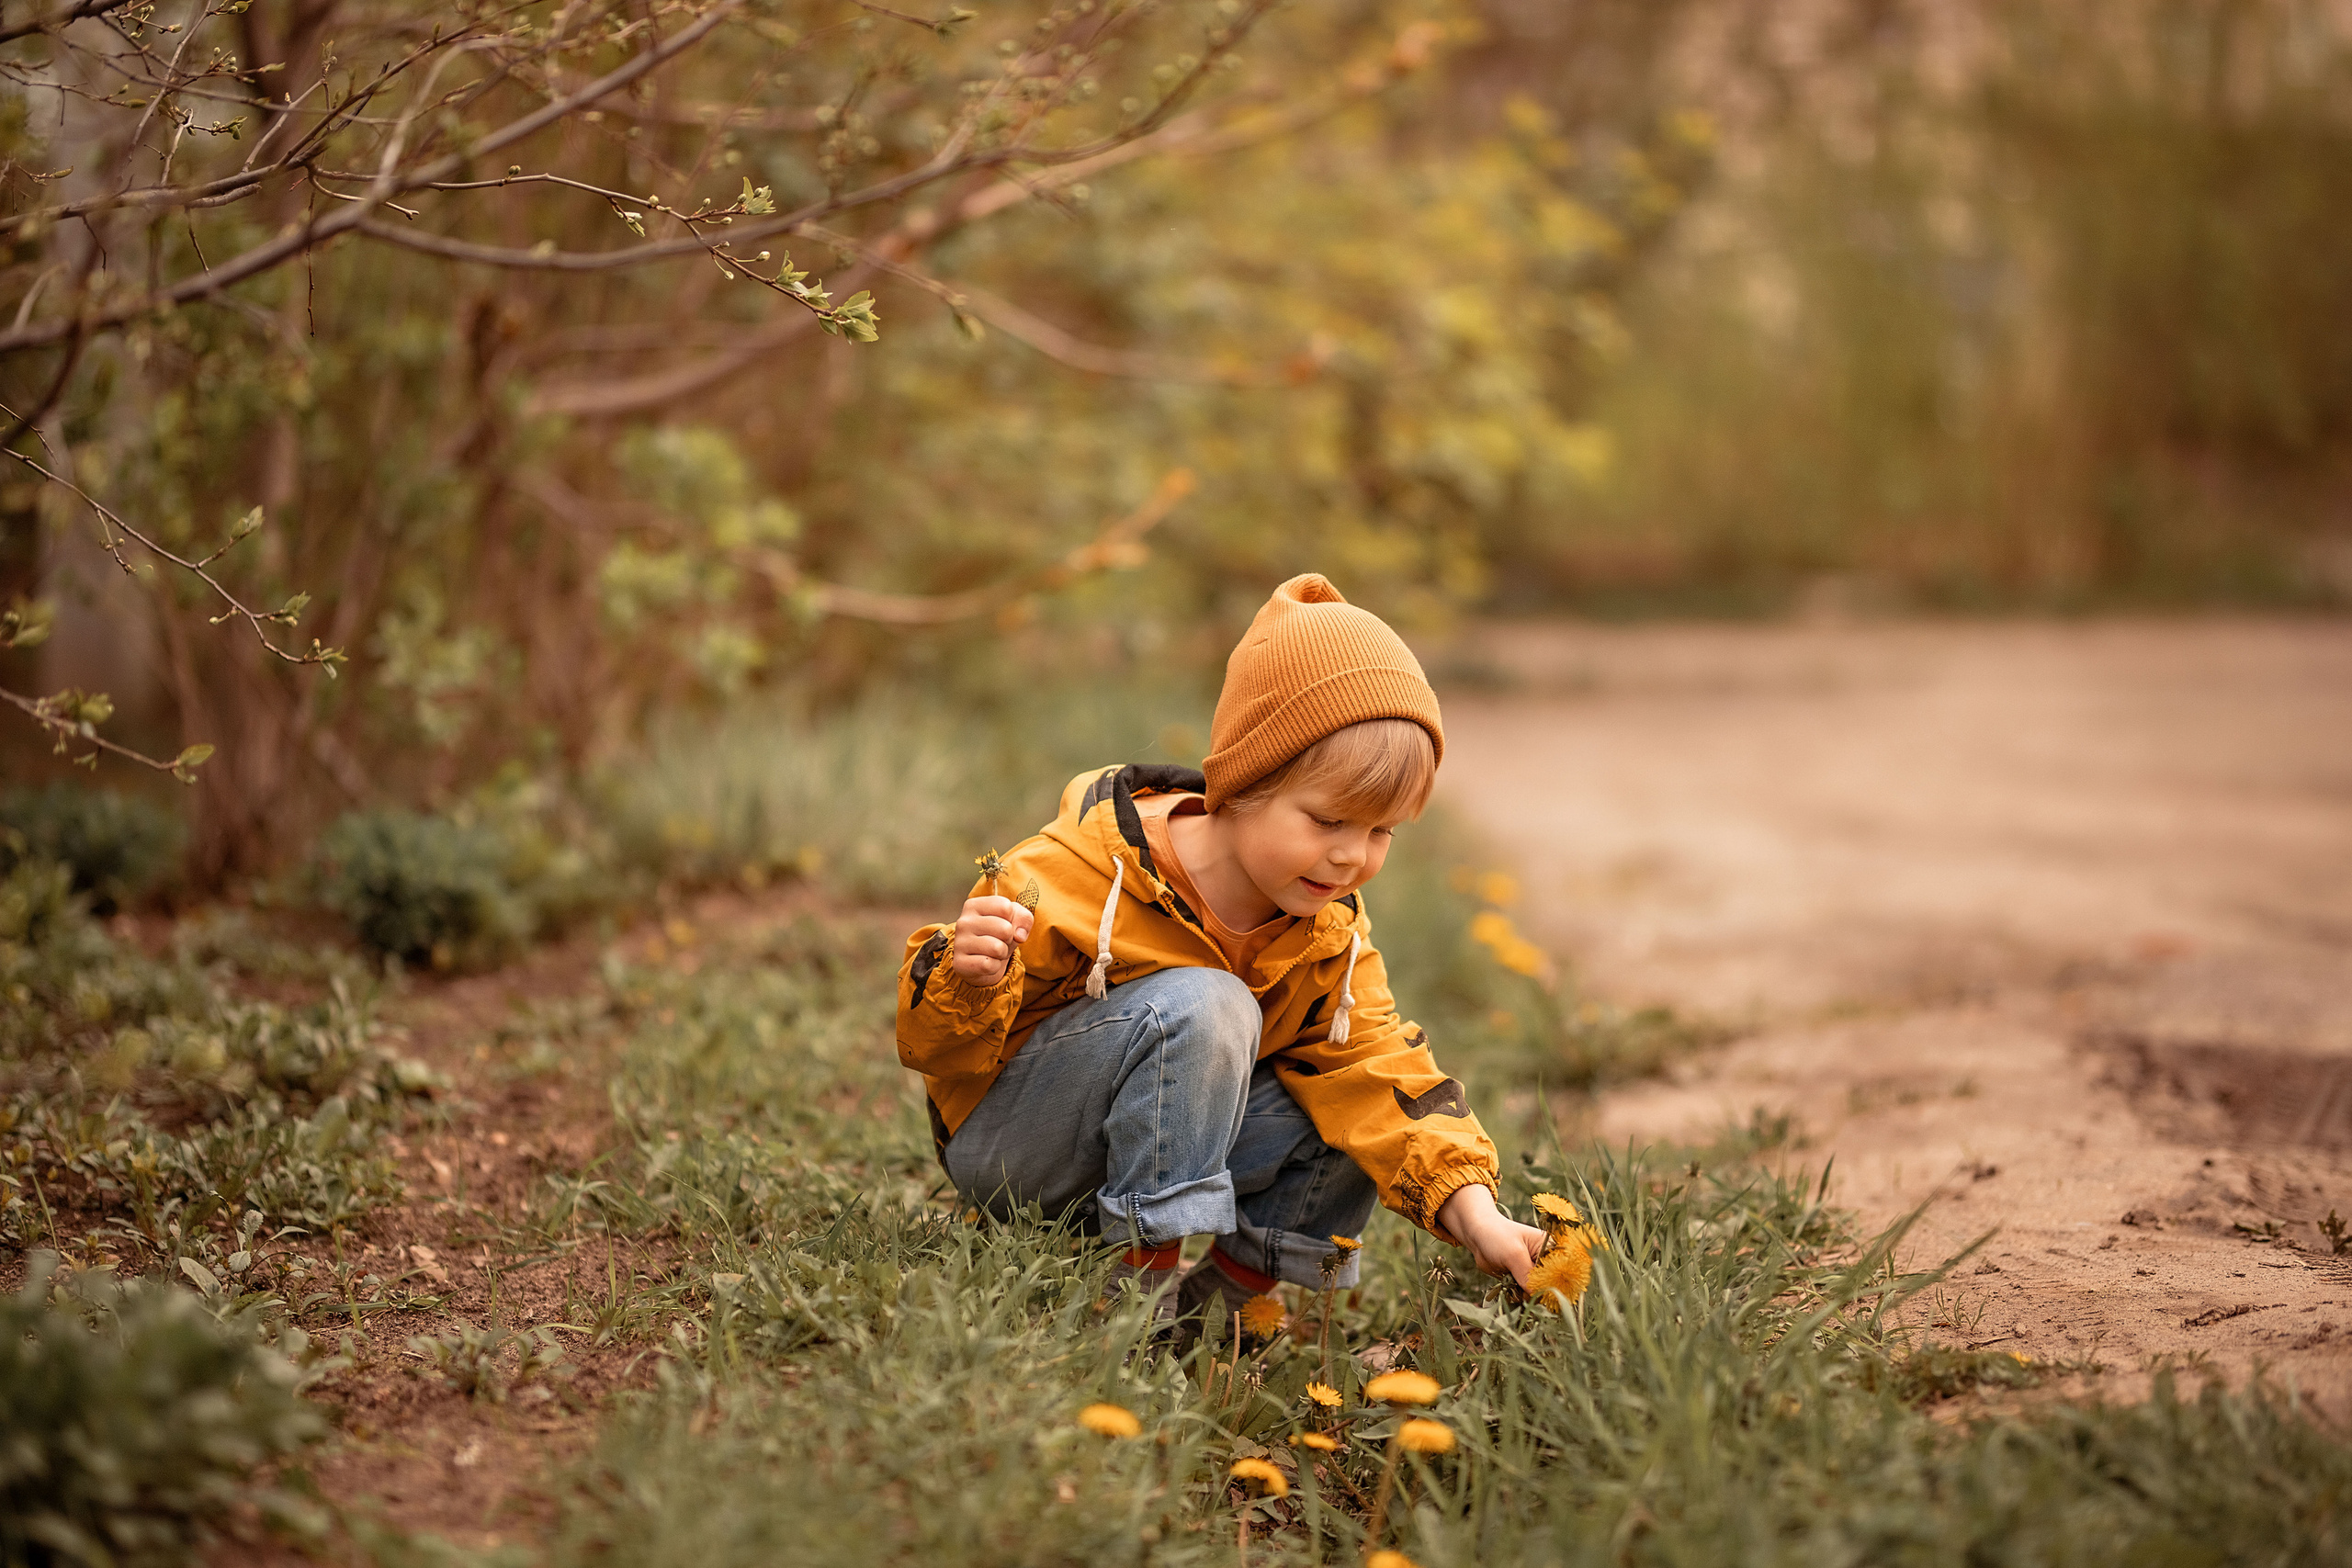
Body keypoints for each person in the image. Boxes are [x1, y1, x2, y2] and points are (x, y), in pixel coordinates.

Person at [895, 573, 1544, 1332]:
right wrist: (971, 978)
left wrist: (1477, 1212)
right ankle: (1133, 1308)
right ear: (1243, 782)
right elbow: (931, 1049)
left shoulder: (1326, 932)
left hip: (1160, 1140)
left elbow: (1383, 1072)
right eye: (1328, 820)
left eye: (1380, 831)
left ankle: (1224, 1314)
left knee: (1348, 1102)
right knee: (1209, 1002)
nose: (1351, 856)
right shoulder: (1077, 870)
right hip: (1019, 1152)